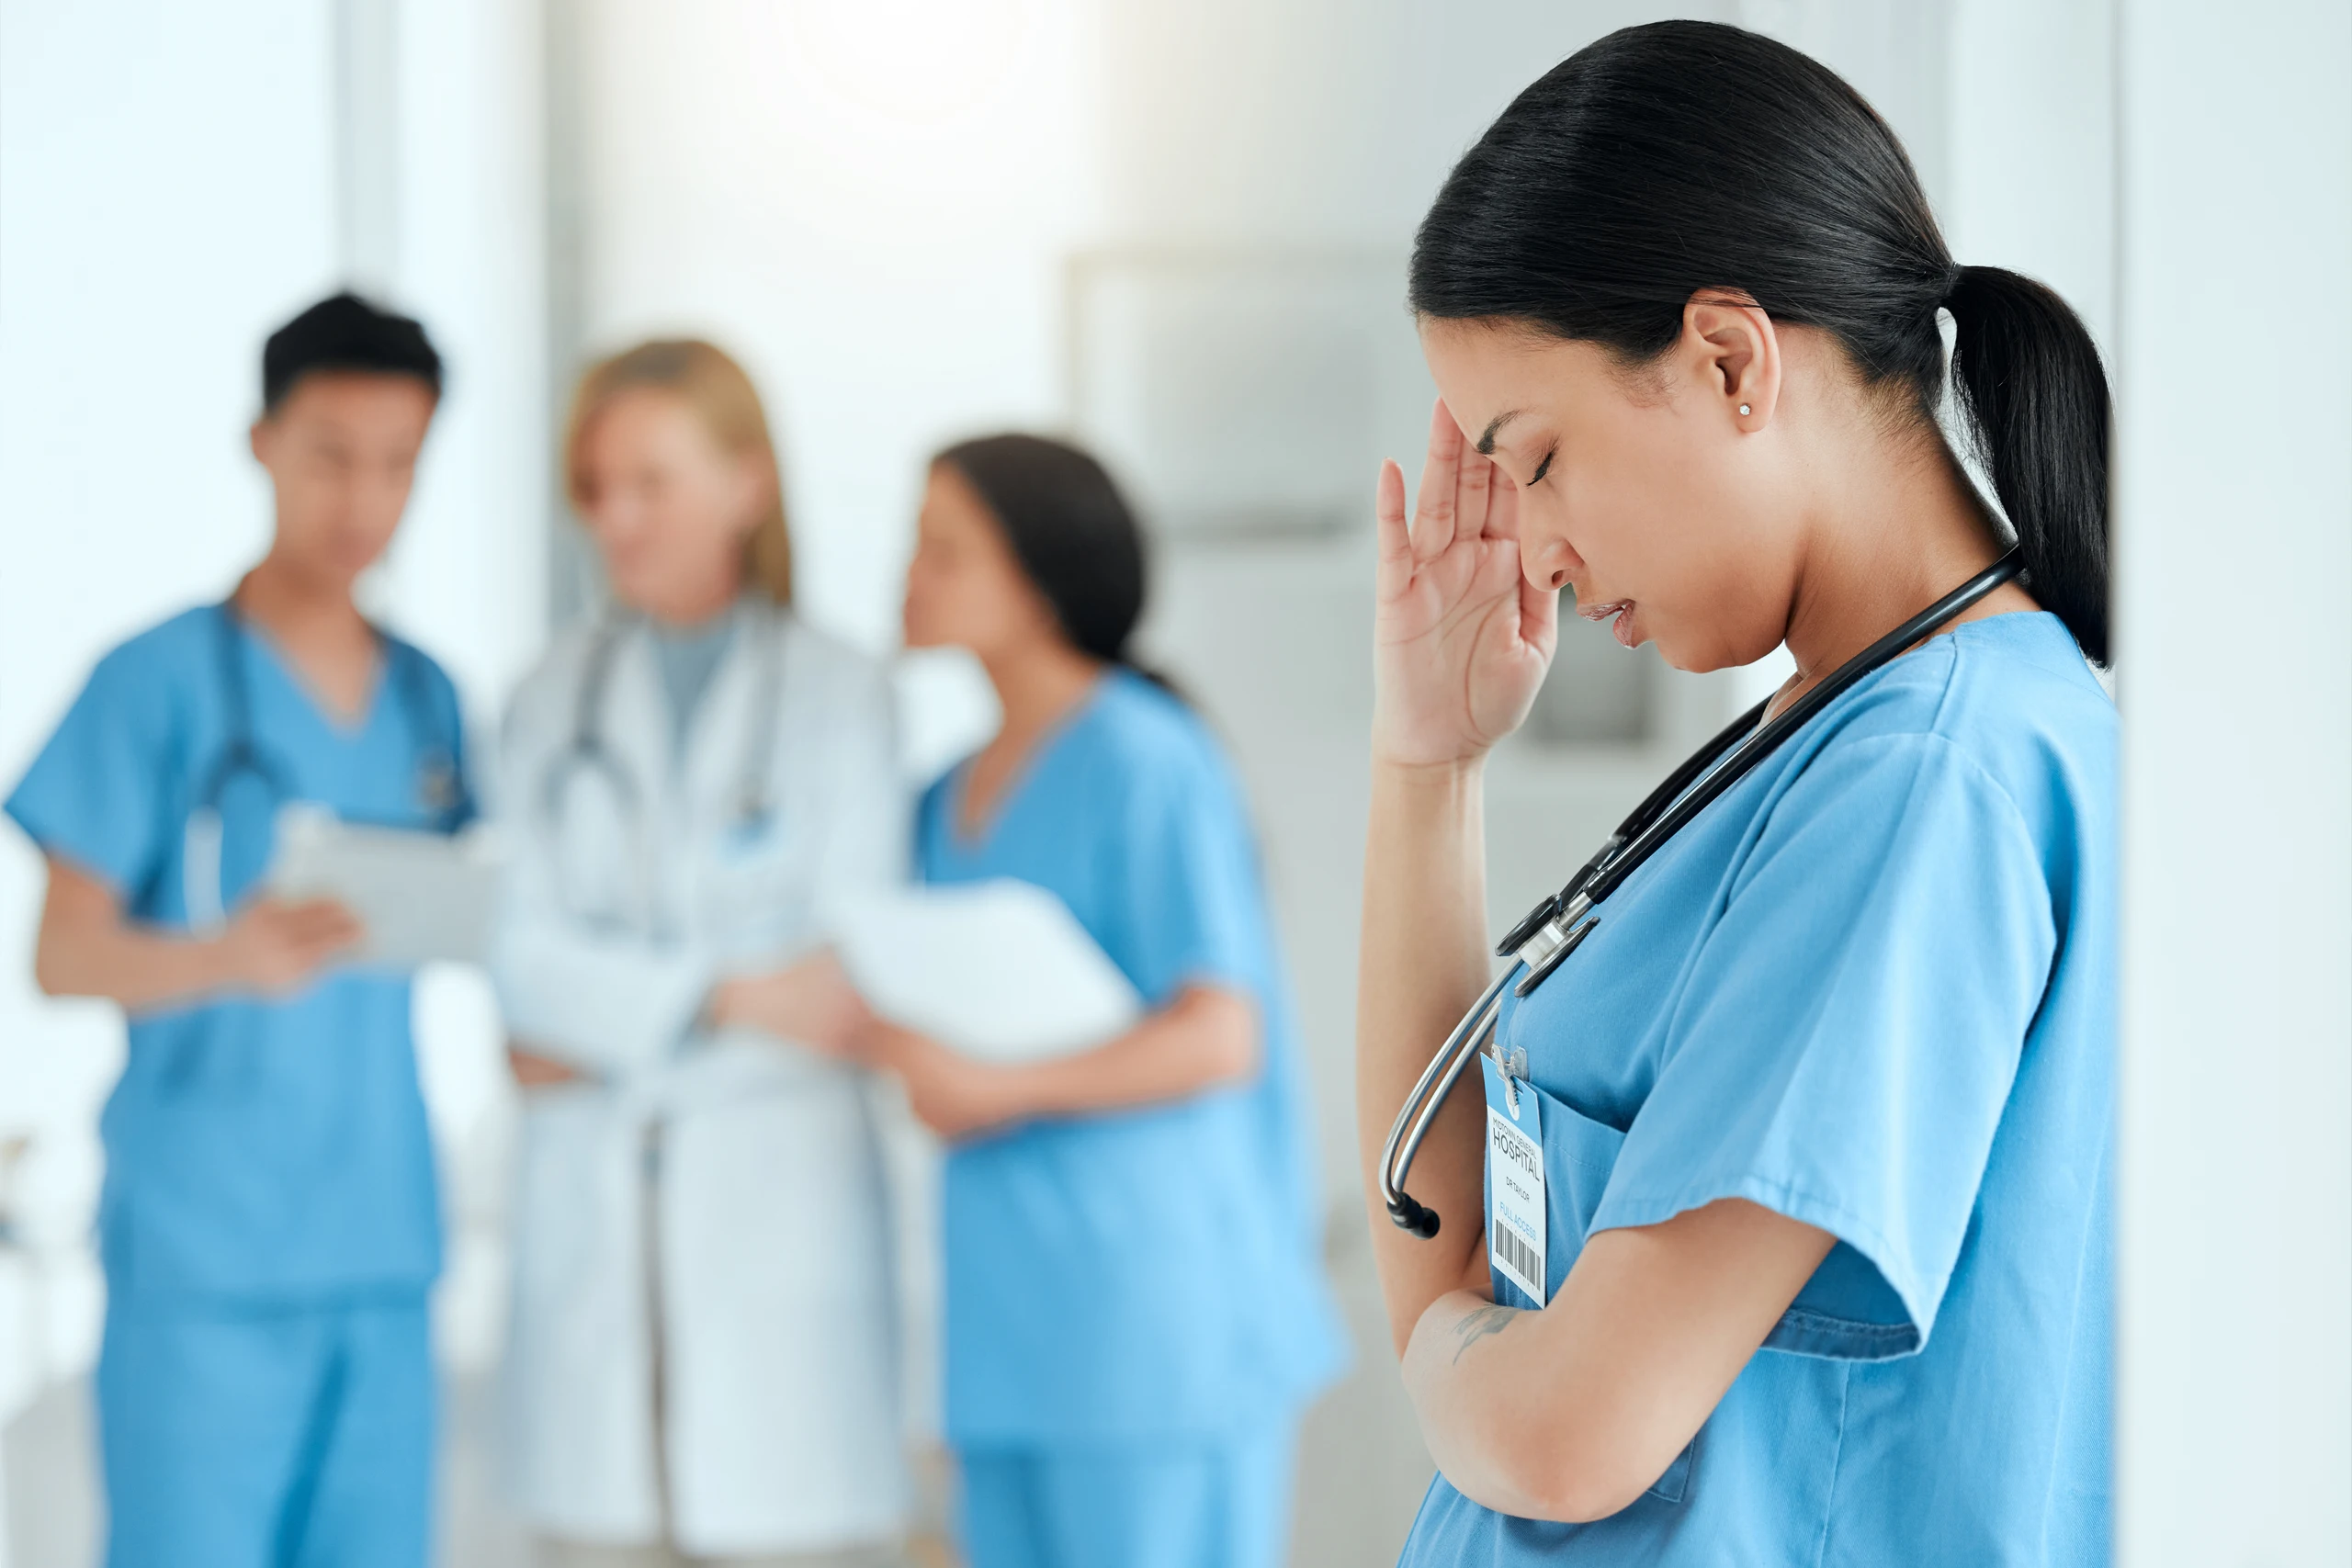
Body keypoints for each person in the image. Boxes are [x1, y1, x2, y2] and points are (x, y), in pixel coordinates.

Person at [1355, 21, 2115, 1567]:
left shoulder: (1927, 775)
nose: (1538, 548)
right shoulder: (1840, 740)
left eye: (1542, 457)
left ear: (1728, 357)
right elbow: (1446, 1233)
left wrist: (1444, 1353)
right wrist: (1427, 762)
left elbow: (1569, 1432)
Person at [7, 292, 470, 1568]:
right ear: (260, 441)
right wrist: (223, 955)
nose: (363, 499)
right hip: (207, 1253)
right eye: (330, 454)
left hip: (380, 1242)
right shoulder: (151, 681)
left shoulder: (431, 698)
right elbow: (61, 955)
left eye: (398, 463)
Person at [836, 434, 1346, 1568]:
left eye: (943, 550)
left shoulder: (1146, 760)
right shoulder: (936, 799)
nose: (907, 575)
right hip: (1011, 1329)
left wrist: (991, 1086)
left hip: (1152, 1319)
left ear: (1034, 577)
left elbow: (1223, 1035)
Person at [492, 339, 910, 1568]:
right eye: (595, 485)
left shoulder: (843, 695)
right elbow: (520, 983)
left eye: (649, 480)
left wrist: (613, 1017)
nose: (613, 516)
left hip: (780, 1248)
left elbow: (842, 987)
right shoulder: (543, 697)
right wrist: (732, 994)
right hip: (595, 1257)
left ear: (746, 481)